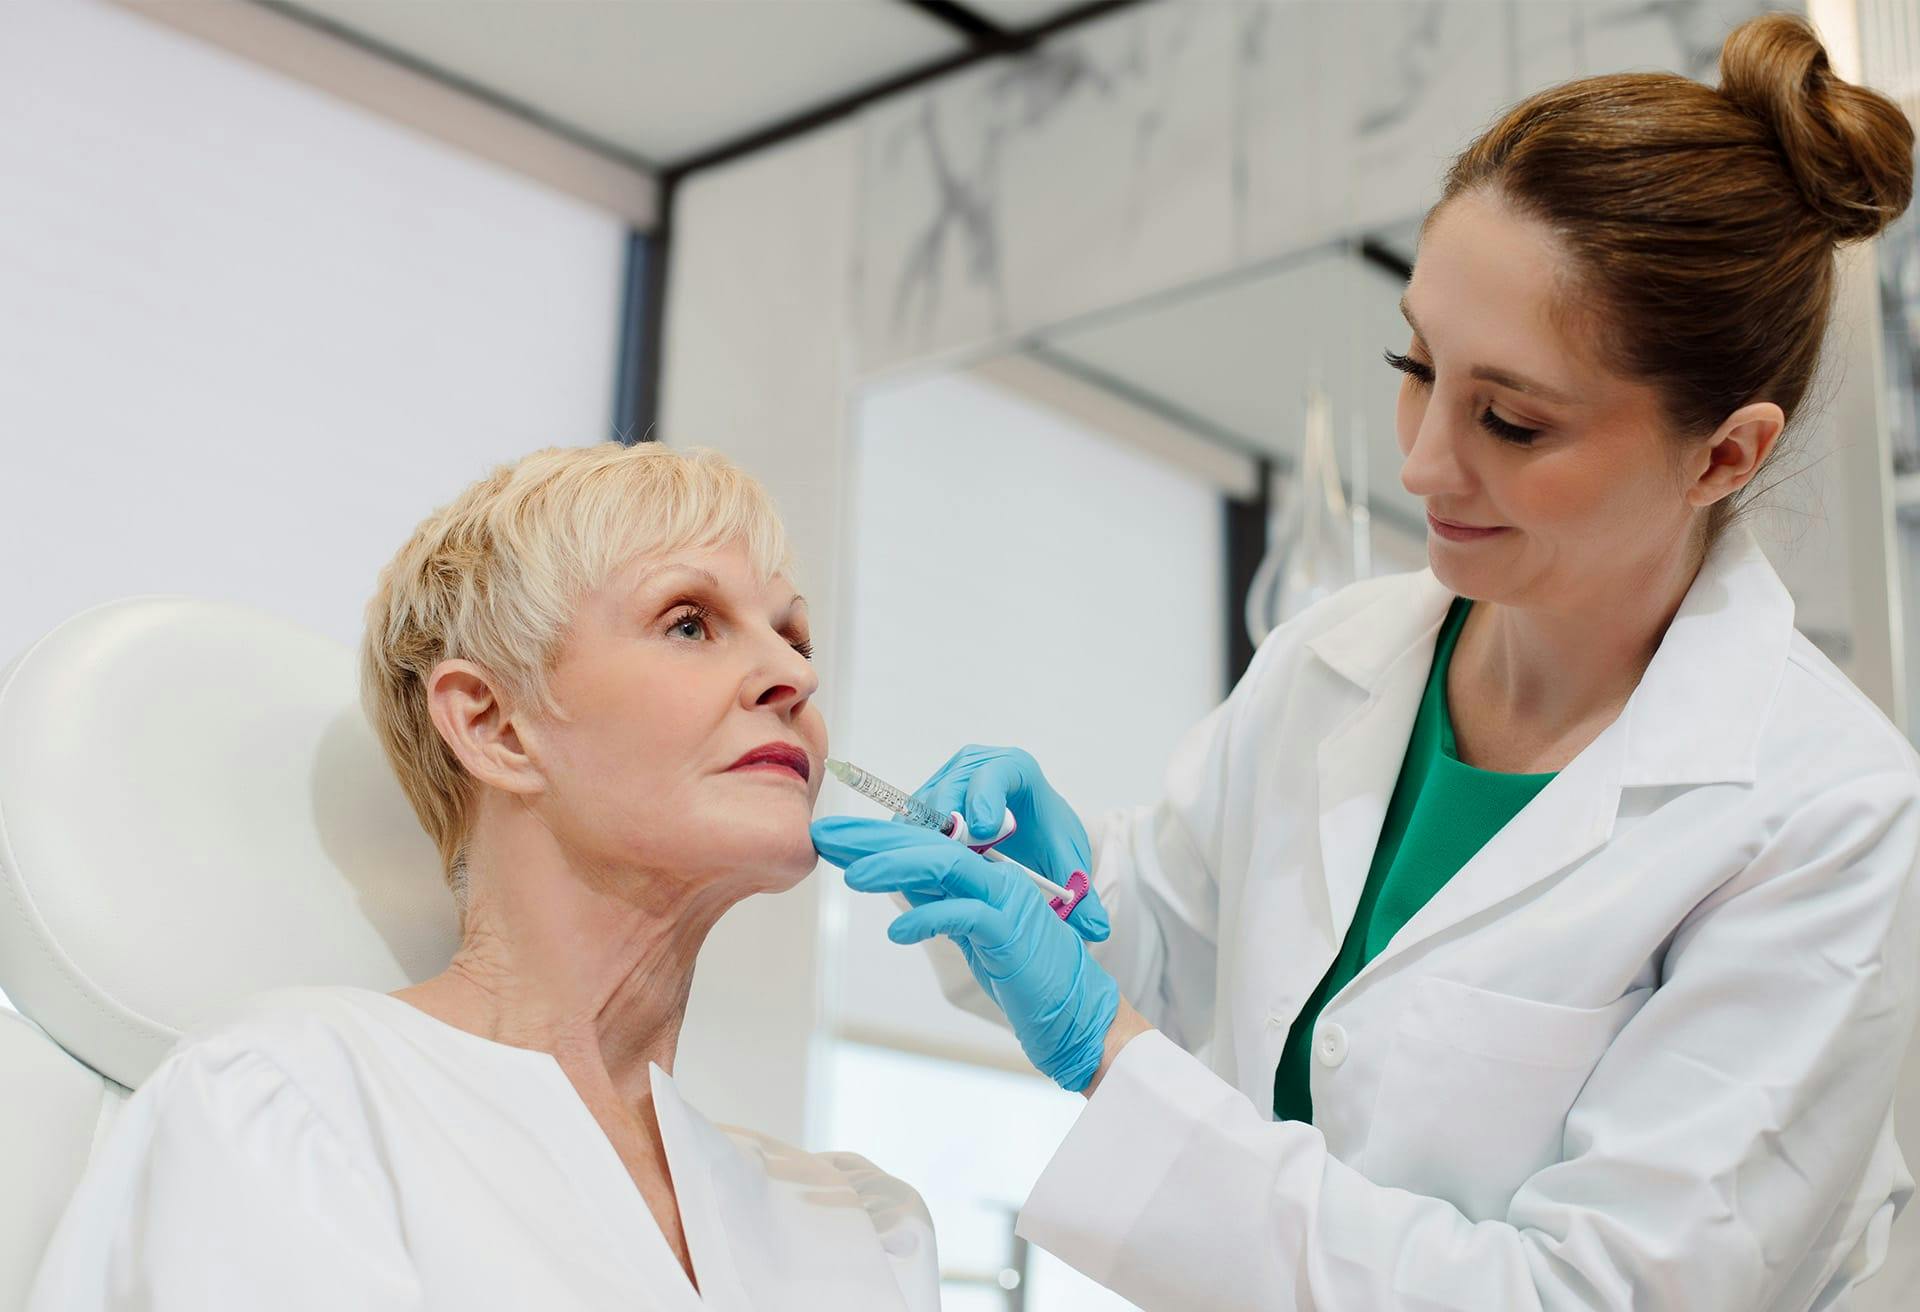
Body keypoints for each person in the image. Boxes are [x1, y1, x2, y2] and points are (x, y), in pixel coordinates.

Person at [814, 14, 1920, 1310]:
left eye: (1510, 419)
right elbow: (1182, 965)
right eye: (1416, 366)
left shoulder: (1823, 812)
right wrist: (1066, 905)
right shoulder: (1335, 658)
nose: (1424, 463)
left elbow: (1591, 1296)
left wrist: (1108, 1052)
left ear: (1723, 455)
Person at [31, 444, 939, 1311]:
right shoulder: (296, 1106)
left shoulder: (855, 1225)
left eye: (795, 638)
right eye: (690, 622)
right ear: (495, 726)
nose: (791, 674)